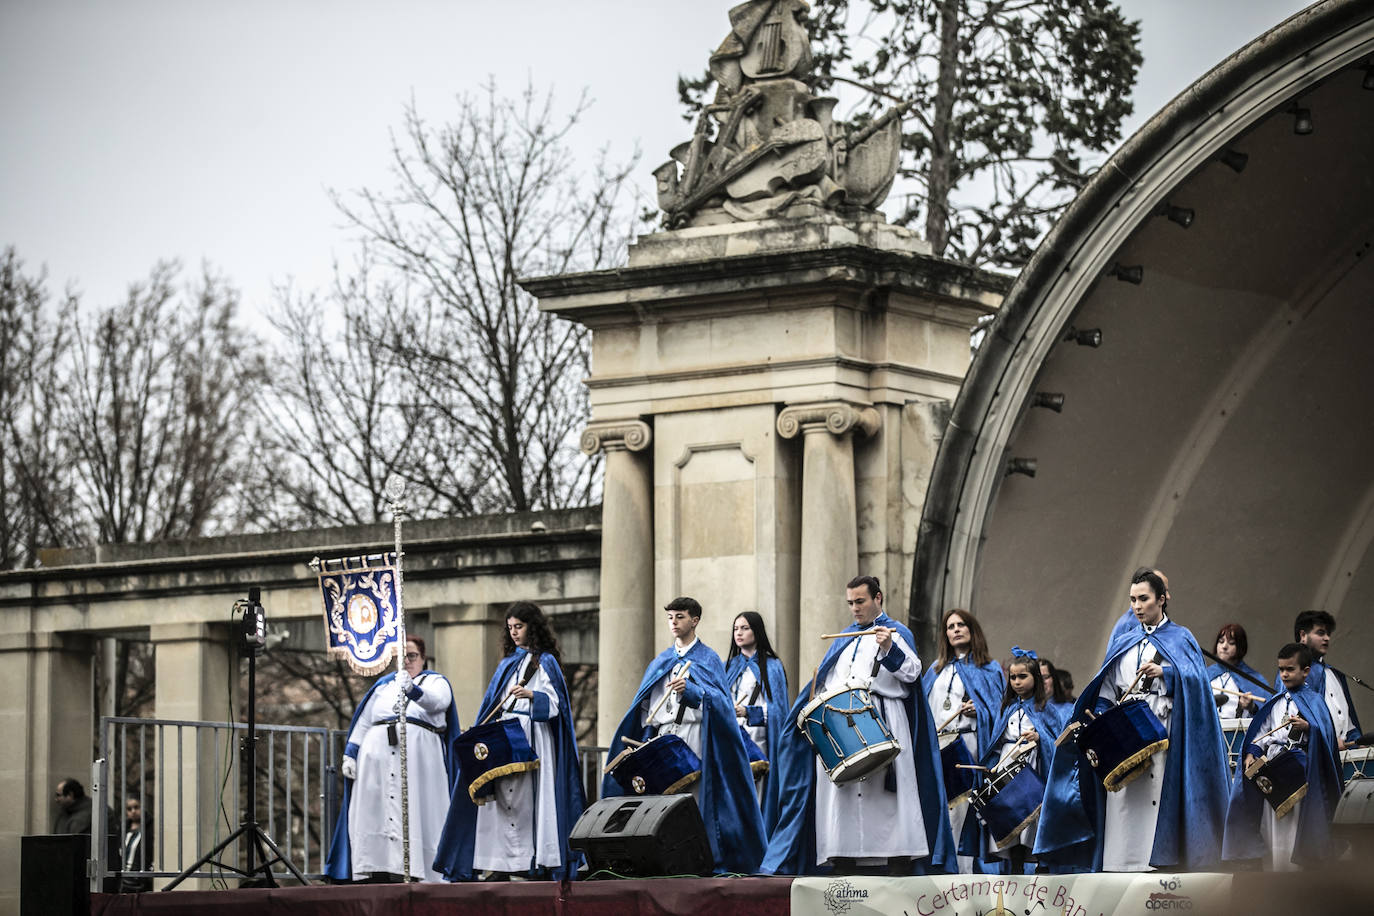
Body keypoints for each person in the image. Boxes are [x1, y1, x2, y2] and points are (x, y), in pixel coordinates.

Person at [1035, 569, 1229, 872]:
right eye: (1132, 600)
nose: (1137, 606)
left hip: (1159, 729)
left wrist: (1164, 673)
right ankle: (1121, 862)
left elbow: (1198, 682)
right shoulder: (1124, 640)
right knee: (1124, 797)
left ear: (1162, 599)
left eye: (1144, 599)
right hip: (1123, 731)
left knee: (1155, 792)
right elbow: (1107, 686)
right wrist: (1099, 715)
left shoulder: (1181, 637)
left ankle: (1156, 861)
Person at [761, 576, 955, 876]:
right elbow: (826, 679)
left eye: (860, 601)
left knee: (887, 795)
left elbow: (912, 673)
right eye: (850, 603)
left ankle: (897, 858)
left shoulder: (896, 631)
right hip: (843, 723)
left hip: (883, 716)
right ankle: (844, 856)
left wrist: (890, 647)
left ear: (878, 598)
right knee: (843, 791)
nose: (854, 608)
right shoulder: (845, 636)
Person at [601, 597, 765, 875]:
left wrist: (691, 692)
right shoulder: (661, 660)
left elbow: (721, 704)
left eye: (680, 617)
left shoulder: (708, 659)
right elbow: (644, 706)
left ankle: (698, 858)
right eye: (670, 618)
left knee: (692, 799)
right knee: (662, 800)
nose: (674, 623)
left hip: (694, 736)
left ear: (694, 620)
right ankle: (665, 856)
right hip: (664, 737)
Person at [434, 601, 584, 881]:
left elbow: (555, 706)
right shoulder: (507, 664)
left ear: (533, 627)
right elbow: (494, 703)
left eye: (520, 626)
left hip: (532, 737)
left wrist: (532, 697)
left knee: (527, 800)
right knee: (500, 799)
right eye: (511, 627)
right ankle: (500, 863)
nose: (514, 632)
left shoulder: (546, 662)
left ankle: (530, 862)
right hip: (505, 735)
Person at [326, 636, 462, 883]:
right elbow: (365, 720)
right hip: (375, 760)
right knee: (373, 810)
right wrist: (351, 753)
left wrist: (413, 690)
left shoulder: (434, 681)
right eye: (403, 656)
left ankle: (420, 870)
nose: (408, 661)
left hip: (419, 758)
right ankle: (376, 868)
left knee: (417, 810)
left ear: (423, 659)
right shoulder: (382, 686)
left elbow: (438, 702)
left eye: (413, 656)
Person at [1223, 644, 1341, 870]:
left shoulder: (1315, 701)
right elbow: (1261, 733)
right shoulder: (1276, 701)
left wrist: (1309, 727)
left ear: (1305, 671)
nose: (1284, 674)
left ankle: (1295, 874)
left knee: (1296, 825)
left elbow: (1324, 736)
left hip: (1299, 772)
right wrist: (1252, 752)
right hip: (1273, 769)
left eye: (1290, 669)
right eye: (1281, 670)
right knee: (1271, 824)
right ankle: (1274, 873)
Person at [921, 607, 1004, 872]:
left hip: (966, 747)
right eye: (950, 626)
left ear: (972, 630)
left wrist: (979, 710)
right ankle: (938, 867)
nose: (955, 630)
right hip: (937, 748)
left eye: (960, 625)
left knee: (963, 812)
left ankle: (963, 872)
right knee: (939, 811)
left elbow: (1000, 710)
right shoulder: (935, 670)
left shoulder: (988, 669)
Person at [979, 648, 1060, 874]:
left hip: (1032, 766)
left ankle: (1037, 868)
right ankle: (1013, 867)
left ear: (1035, 678)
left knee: (1030, 821)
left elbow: (1056, 741)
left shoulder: (1046, 709)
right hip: (1008, 764)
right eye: (1013, 677)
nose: (1016, 682)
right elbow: (996, 738)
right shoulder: (1007, 708)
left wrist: (1039, 737)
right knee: (1010, 818)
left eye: (1022, 676)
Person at [725, 610, 789, 832]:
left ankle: (759, 844)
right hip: (733, 738)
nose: (739, 633)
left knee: (757, 794)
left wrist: (748, 712)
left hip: (758, 741)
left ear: (756, 631)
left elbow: (779, 711)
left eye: (745, 628)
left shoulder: (772, 666)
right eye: (736, 629)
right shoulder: (730, 667)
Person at [1280, 611, 1362, 750]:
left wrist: (1358, 741)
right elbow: (1289, 723)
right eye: (1320, 633)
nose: (1327, 638)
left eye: (1328, 634)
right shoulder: (1291, 673)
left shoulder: (1333, 674)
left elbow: (1347, 723)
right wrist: (1328, 741)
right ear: (1303, 635)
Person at [1207, 623, 1269, 718]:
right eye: (1221, 641)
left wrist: (1251, 707)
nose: (1224, 646)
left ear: (1241, 647)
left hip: (1238, 731)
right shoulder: (1206, 675)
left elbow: (1266, 713)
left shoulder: (1251, 678)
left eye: (1231, 643)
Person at [118, 797, 154, 892]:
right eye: (129, 809)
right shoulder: (123, 828)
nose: (133, 811)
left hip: (141, 878)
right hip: (123, 877)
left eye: (136, 807)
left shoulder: (151, 826)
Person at [1037, 657, 1076, 729]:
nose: (1041, 682)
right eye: (1037, 678)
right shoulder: (1022, 709)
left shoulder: (1069, 710)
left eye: (1045, 677)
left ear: (1054, 679)